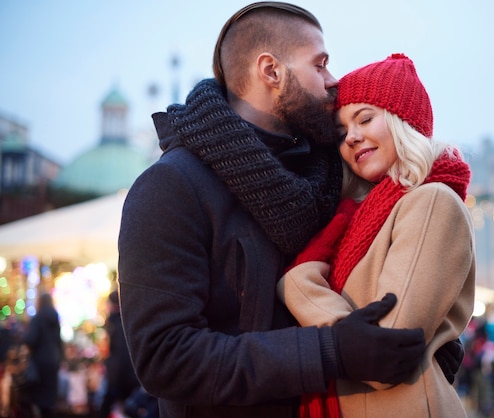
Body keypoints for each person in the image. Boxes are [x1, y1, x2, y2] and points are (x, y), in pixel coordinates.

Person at [118, 3, 461, 417]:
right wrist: (330, 352)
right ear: (271, 71)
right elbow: (165, 358)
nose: (333, 82)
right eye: (320, 65)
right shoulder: (171, 187)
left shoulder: (331, 177)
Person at [277, 53, 475, 417]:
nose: (352, 137)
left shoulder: (431, 202)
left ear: (404, 121)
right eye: (341, 132)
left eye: (365, 118)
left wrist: (300, 280)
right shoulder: (358, 216)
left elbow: (387, 346)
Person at [98, 290, 140, 418]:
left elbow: (120, 352)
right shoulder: (125, 320)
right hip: (127, 374)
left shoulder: (116, 323)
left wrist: (113, 372)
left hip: (120, 375)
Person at [23, 293, 64, 418]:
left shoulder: (38, 318)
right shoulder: (55, 319)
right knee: (49, 398)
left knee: (39, 398)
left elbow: (32, 339)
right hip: (53, 361)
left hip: (40, 363)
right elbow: (59, 341)